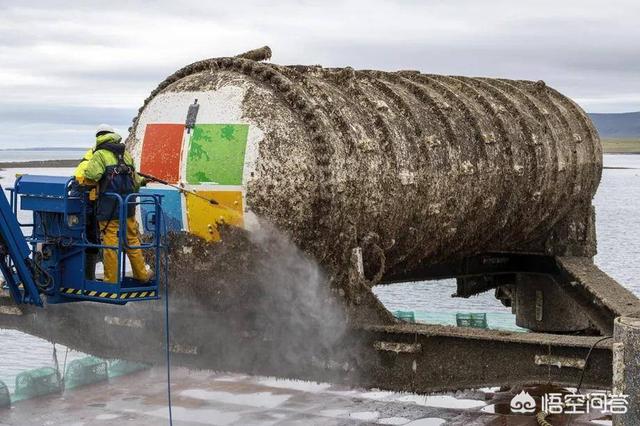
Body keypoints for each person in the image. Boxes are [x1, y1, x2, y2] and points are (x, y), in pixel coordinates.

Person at [83, 124, 149, 284]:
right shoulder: (126, 154)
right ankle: (142, 276)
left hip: (109, 207)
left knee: (110, 243)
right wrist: (144, 181)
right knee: (132, 240)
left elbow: (92, 175)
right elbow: (135, 182)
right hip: (128, 207)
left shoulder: (99, 154)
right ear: (113, 135)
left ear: (98, 137)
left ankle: (111, 281)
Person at [72, 143, 100, 280]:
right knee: (89, 236)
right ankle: (87, 277)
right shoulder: (98, 158)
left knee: (87, 237)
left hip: (82, 196)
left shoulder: (91, 156)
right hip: (84, 196)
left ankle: (86, 277)